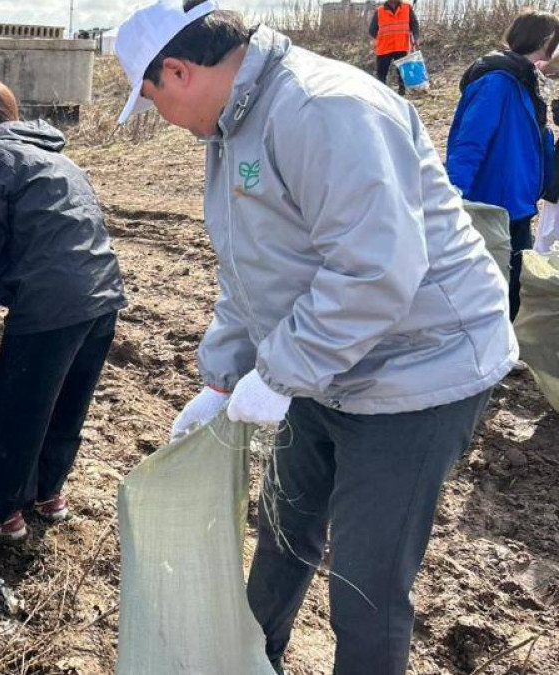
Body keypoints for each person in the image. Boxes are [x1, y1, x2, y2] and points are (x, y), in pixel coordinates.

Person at [113, 2, 517, 674]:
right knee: (283, 530)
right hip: (325, 363)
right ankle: (248, 659)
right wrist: (221, 376)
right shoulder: (234, 126)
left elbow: (376, 271)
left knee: (366, 584)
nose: (163, 120)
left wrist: (277, 374)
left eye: (153, 101)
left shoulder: (321, 108)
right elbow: (253, 270)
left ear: (179, 71)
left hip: (419, 368)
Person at [0, 77, 127, 540]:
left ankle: (2, 515)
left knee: (16, 408)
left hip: (50, 307)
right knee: (67, 402)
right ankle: (48, 493)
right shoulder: (56, 157)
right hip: (102, 296)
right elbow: (36, 248)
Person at [447, 10, 559, 320]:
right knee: (494, 283)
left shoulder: (525, 79)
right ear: (546, 41)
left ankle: (504, 348)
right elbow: (470, 142)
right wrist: (453, 193)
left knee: (513, 282)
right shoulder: (498, 81)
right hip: (495, 204)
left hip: (518, 202)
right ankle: (492, 350)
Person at [368, 0, 420, 95]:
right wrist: (382, 38)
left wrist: (416, 38)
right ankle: (382, 94)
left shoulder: (407, 8)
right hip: (384, 48)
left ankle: (401, 93)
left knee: (402, 73)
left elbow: (414, 25)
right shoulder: (379, 11)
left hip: (401, 46)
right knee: (382, 75)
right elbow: (372, 30)